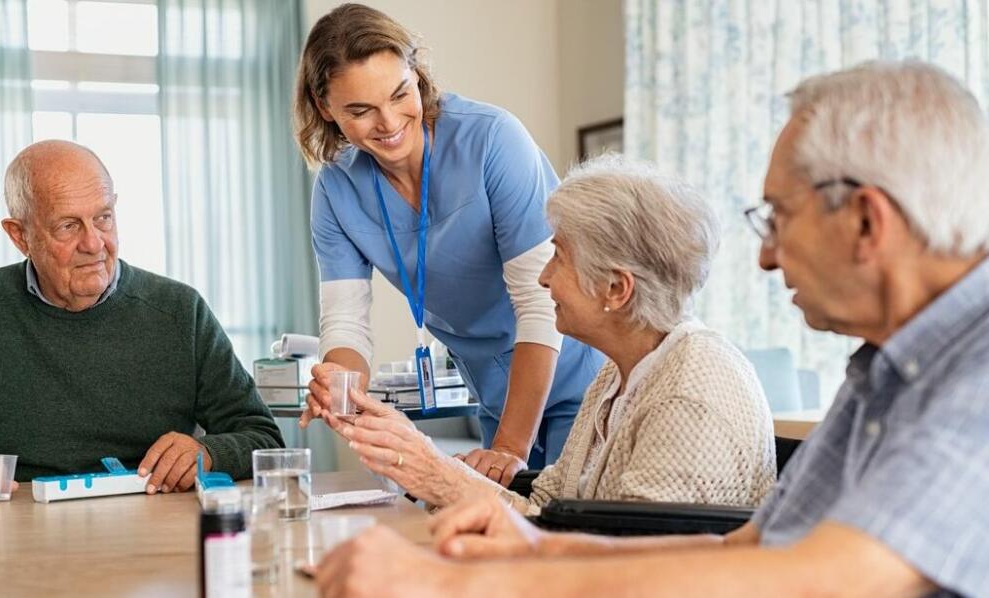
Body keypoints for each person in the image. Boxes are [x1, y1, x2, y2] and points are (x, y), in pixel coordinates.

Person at [315, 60, 989, 597]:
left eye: (776, 218)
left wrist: (461, 584)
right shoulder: (886, 368)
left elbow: (828, 580)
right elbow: (749, 549)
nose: (763, 255)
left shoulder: (975, 371)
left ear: (867, 222)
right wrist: (538, 549)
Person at [322, 155, 774, 511]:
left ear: (615, 288)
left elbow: (627, 565)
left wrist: (440, 475)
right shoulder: (617, 378)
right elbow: (547, 507)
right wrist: (432, 469)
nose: (543, 279)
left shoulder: (688, 394)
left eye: (558, 258)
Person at [295, 3, 603, 481]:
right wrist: (340, 385)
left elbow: (540, 305)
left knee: (565, 533)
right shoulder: (336, 190)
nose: (389, 122)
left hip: (581, 378)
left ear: (417, 75)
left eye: (400, 93)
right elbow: (345, 326)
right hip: (497, 397)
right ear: (325, 108)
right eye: (360, 110)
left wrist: (508, 450)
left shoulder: (493, 141)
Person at [0, 140, 284, 502]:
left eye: (103, 218)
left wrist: (210, 453)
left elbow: (264, 439)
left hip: (148, 528)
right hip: (14, 529)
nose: (94, 244)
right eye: (68, 225)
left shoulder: (180, 310)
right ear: (19, 236)